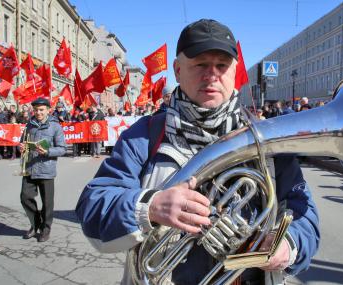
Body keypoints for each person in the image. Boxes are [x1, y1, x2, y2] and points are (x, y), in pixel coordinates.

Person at [76, 19, 319, 285]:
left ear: (234, 72)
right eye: (200, 64)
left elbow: (303, 210)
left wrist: (289, 243)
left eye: (221, 66)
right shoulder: (144, 136)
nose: (212, 75)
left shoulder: (268, 138)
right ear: (178, 71)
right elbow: (93, 206)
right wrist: (150, 206)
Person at [19, 98, 66, 242]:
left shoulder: (55, 126)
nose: (38, 112)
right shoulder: (29, 125)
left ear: (48, 110)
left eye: (41, 110)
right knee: (25, 197)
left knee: (47, 202)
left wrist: (47, 151)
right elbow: (22, 142)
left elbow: (62, 149)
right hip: (30, 168)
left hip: (46, 169)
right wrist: (20, 147)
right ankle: (36, 223)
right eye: (36, 110)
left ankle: (45, 229)